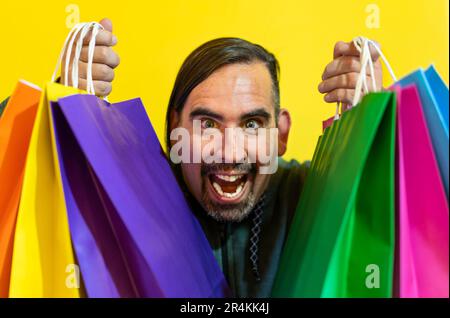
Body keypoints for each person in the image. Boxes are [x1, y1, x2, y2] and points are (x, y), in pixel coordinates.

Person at [0, 18, 383, 297]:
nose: (230, 152)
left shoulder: (320, 196)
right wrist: (51, 119)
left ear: (280, 134)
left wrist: (382, 129)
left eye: (251, 124)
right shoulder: (128, 197)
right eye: (207, 125)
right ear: (174, 130)